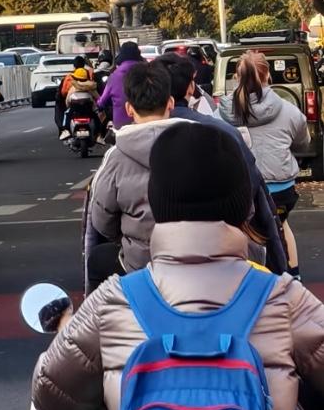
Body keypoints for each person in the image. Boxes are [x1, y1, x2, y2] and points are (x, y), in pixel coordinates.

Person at [32, 123, 324, 410]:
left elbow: (53, 401)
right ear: (243, 203)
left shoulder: (114, 299)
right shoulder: (281, 296)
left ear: (158, 205)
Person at [162, 53, 288, 275]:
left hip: (155, 262)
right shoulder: (220, 131)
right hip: (229, 251)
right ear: (190, 87)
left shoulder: (125, 147)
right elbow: (253, 190)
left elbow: (100, 225)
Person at [85, 61, 177, 289]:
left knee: (97, 258)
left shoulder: (115, 157)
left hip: (138, 264)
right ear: (171, 103)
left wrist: (128, 239)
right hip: (199, 260)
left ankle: (103, 321)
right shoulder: (201, 144)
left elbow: (101, 219)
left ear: (128, 109)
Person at [220, 50, 310, 279]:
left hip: (240, 190)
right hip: (280, 188)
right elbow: (303, 141)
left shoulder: (221, 114)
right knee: (281, 226)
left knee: (245, 233)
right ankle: (294, 277)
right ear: (267, 75)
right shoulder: (289, 111)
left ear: (236, 78)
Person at [95, 40, 141, 131]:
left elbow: (102, 102)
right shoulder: (147, 73)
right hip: (143, 125)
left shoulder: (114, 77)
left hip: (121, 127)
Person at [57, 54, 98, 140]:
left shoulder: (70, 80)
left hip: (74, 108)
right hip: (88, 108)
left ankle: (64, 130)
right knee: (96, 115)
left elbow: (65, 97)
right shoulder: (91, 81)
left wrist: (67, 105)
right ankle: (99, 134)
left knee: (66, 114)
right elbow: (97, 97)